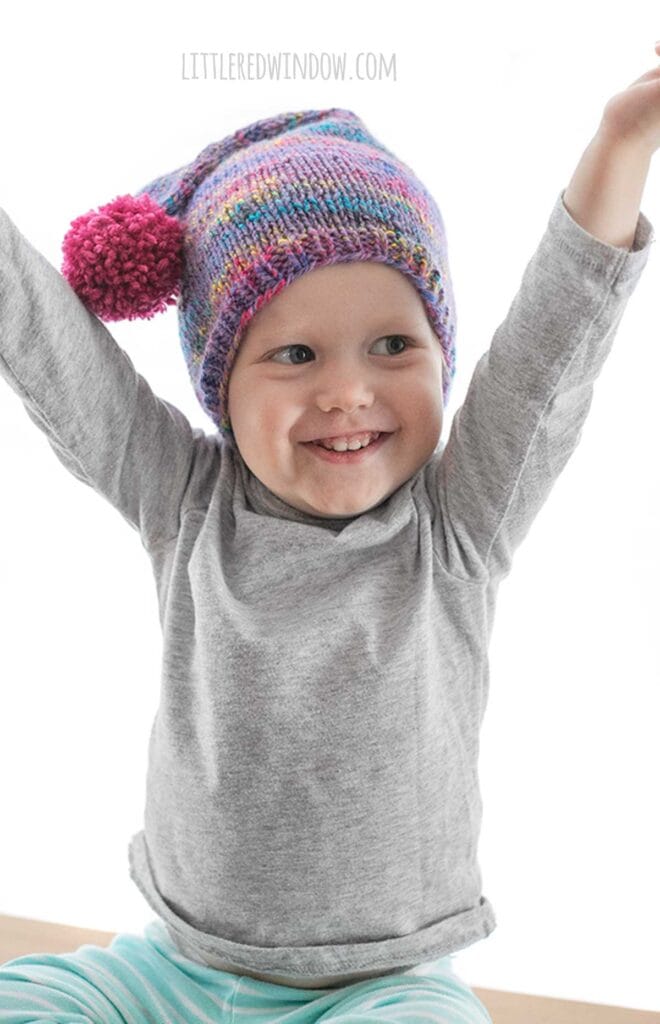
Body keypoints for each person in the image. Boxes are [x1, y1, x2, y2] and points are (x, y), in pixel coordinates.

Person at [0, 52, 658, 1020]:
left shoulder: (457, 524)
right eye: (295, 354)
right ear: (221, 388)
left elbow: (556, 340)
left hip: (385, 989)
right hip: (169, 973)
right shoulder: (183, 501)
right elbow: (47, 346)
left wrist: (622, 141)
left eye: (394, 345)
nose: (348, 390)